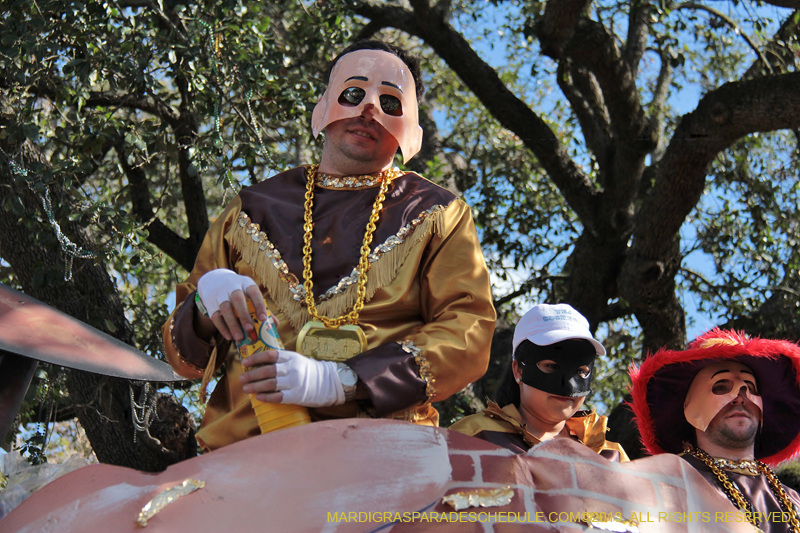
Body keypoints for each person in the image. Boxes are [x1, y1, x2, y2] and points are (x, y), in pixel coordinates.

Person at [161, 40, 496, 452]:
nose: (368, 110)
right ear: (323, 106)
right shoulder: (250, 210)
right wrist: (203, 305)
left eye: (390, 102)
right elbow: (184, 360)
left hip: (384, 455)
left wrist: (346, 381)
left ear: (409, 128)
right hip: (246, 454)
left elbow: (468, 331)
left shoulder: (438, 213)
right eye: (353, 93)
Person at [629, 328, 800, 532]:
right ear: (690, 406)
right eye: (721, 387)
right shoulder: (662, 484)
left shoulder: (793, 501)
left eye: (750, 387)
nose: (740, 397)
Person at [450, 304, 628, 461]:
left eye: (581, 371)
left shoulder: (611, 457)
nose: (568, 385)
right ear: (518, 370)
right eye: (551, 366)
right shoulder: (474, 438)